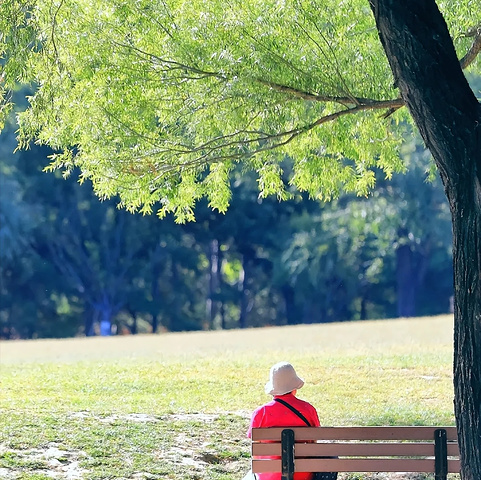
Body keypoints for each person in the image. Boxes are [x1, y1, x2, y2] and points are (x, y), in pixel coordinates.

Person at [246, 361, 320, 480]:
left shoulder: (261, 412)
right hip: (303, 474)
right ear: (295, 388)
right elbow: (314, 441)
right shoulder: (308, 409)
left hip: (268, 475)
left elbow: (255, 448)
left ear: (273, 390)